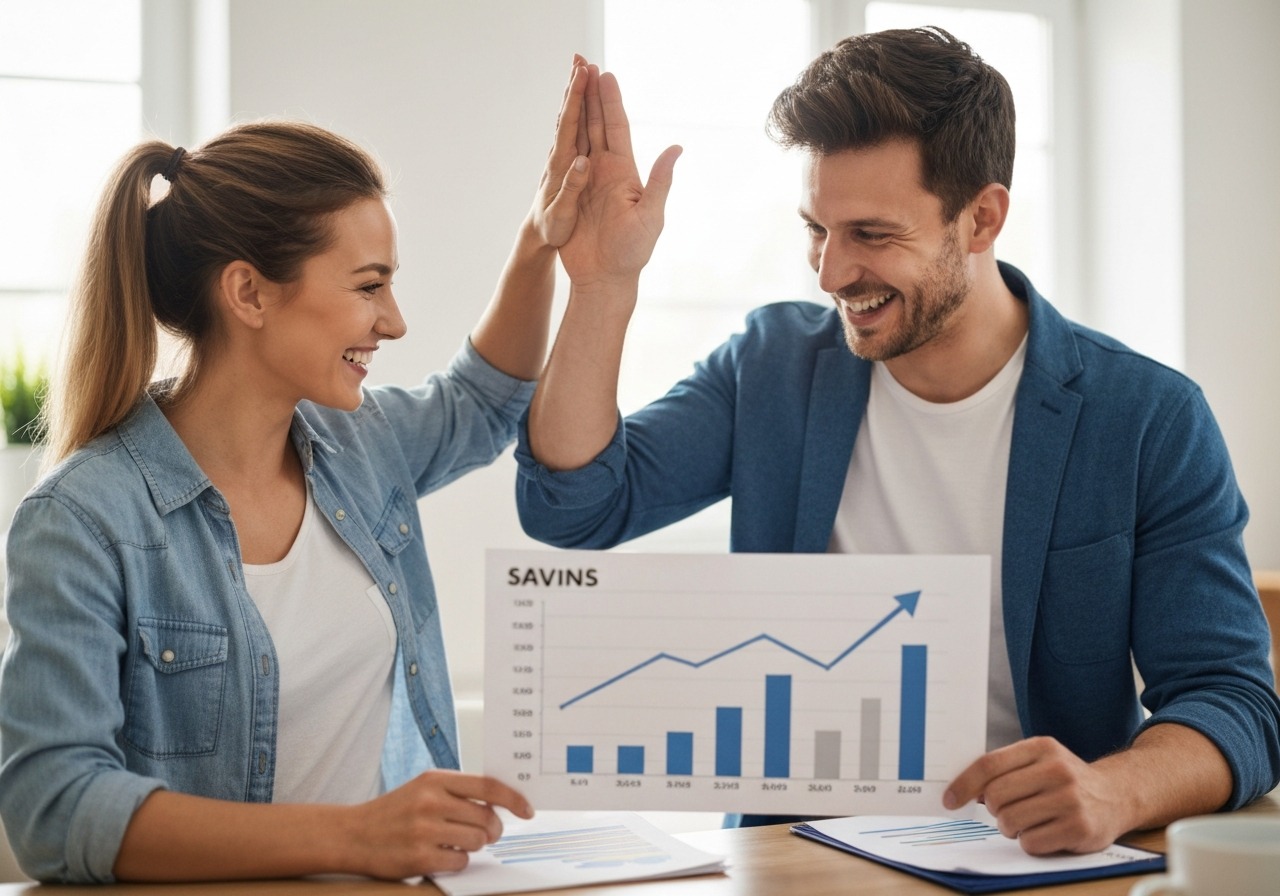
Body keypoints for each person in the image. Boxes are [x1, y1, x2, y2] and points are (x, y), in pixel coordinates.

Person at [515, 28, 1280, 854]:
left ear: (981, 218)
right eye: (818, 228)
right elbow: (574, 507)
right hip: (800, 859)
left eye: (872, 235)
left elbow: (1231, 699)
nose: (830, 273)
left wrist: (1112, 788)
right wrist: (603, 283)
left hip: (1036, 860)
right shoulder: (773, 368)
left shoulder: (1146, 417)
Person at [0, 58, 605, 883]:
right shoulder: (84, 520)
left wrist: (540, 239)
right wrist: (355, 836)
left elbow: (482, 401)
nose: (393, 320)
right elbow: (55, 807)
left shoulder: (362, 448)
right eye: (369, 286)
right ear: (248, 293)